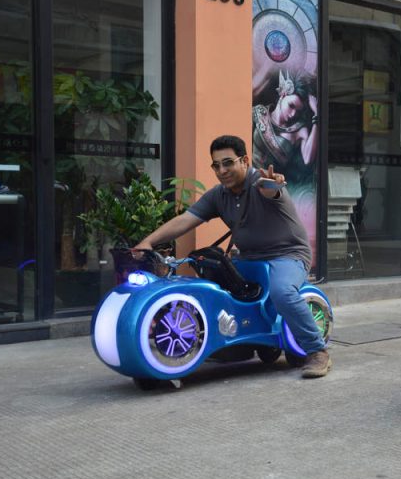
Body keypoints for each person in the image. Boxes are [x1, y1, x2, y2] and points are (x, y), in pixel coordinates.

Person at [135, 135, 331, 378]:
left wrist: (273, 184)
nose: (222, 170)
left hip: (288, 255)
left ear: (245, 161)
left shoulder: (262, 183)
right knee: (213, 285)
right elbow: (186, 220)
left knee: (282, 292)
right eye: (216, 165)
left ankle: (317, 351)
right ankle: (235, 344)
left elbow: (272, 191)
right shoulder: (219, 195)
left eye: (228, 163)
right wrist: (149, 242)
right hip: (248, 257)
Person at [252, 70, 318, 182]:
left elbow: (307, 159)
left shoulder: (299, 129)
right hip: (249, 180)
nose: (293, 114)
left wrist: (317, 116)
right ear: (282, 95)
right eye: (291, 106)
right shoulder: (258, 113)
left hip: (273, 187)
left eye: (298, 111)